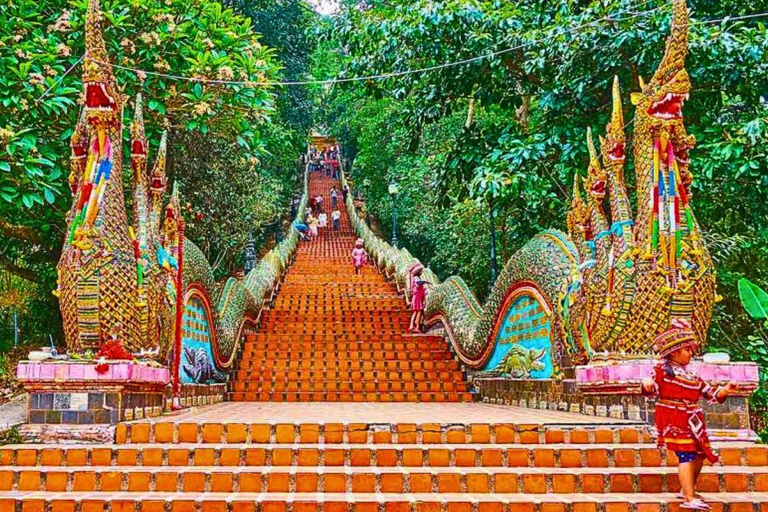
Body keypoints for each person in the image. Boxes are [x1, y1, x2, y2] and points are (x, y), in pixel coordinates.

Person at [641, 319, 739, 511]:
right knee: (686, 454)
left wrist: (726, 389)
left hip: (694, 419)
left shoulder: (692, 374)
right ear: (674, 352)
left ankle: (687, 489)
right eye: (688, 350)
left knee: (700, 454)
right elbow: (649, 385)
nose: (691, 354)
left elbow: (711, 394)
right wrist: (646, 383)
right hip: (674, 417)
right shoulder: (662, 371)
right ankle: (688, 497)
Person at [408, 265, 428, 333]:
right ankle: (416, 326)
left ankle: (411, 325)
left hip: (417, 296)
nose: (421, 272)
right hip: (417, 297)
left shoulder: (416, 277)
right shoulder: (416, 277)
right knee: (418, 311)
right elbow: (418, 283)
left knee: (416, 312)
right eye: (421, 271)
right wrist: (424, 282)